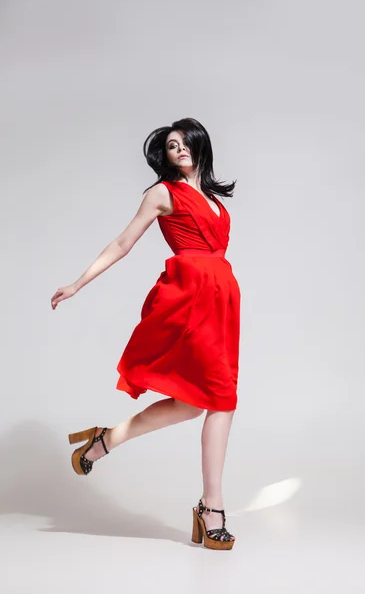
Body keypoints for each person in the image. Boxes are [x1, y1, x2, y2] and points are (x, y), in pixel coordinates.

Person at [51, 118, 241, 550]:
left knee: (196, 405)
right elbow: (122, 243)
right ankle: (211, 508)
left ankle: (106, 439)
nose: (179, 149)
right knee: (221, 400)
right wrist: (79, 282)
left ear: (199, 145)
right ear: (165, 155)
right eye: (171, 146)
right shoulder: (161, 193)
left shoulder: (212, 198)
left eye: (185, 142)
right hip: (190, 298)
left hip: (222, 299)